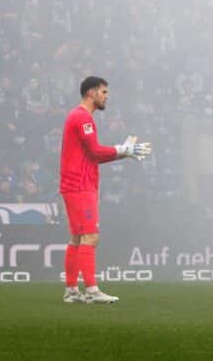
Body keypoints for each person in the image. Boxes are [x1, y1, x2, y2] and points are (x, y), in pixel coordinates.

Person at [59, 76, 150, 304]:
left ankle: (71, 291)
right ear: (91, 93)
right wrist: (123, 150)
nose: (107, 96)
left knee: (78, 238)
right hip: (80, 185)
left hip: (76, 184)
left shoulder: (79, 117)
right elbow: (95, 151)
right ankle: (92, 290)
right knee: (91, 236)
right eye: (104, 92)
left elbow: (92, 156)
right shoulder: (82, 118)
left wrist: (123, 152)